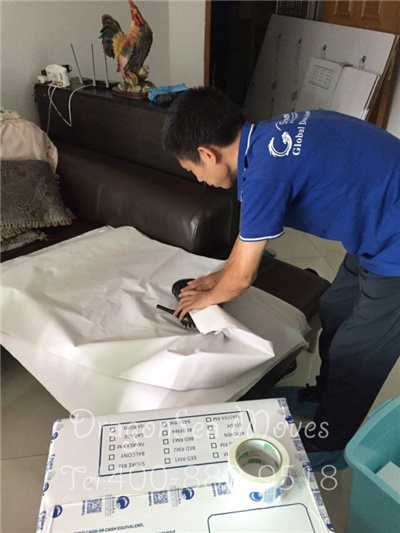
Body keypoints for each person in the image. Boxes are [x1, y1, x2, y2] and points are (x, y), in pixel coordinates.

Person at [161, 86, 400, 465]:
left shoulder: (264, 175)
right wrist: (214, 278)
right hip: (375, 228)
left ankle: (331, 441)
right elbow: (247, 240)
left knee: (357, 350)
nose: (200, 180)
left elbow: (243, 277)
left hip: (394, 243)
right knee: (336, 308)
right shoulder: (266, 140)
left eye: (194, 171)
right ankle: (324, 397)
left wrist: (206, 297)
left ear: (207, 153)